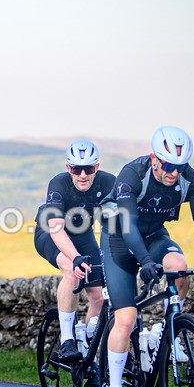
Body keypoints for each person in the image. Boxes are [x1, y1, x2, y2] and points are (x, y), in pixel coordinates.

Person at [100, 126, 194, 387]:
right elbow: (128, 226)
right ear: (154, 159)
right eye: (169, 166)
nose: (174, 173)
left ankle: (165, 331)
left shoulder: (191, 180)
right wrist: (145, 260)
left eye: (180, 167)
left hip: (154, 235)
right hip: (119, 238)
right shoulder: (132, 175)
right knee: (126, 317)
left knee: (179, 267)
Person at [33, 140, 115, 369]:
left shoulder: (109, 182)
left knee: (98, 296)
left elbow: (117, 225)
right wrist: (75, 257)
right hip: (50, 233)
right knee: (72, 271)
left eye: (88, 168)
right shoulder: (59, 183)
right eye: (76, 169)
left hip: (83, 235)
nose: (82, 175)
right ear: (68, 168)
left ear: (97, 167)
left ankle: (87, 348)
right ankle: (67, 340)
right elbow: (56, 228)